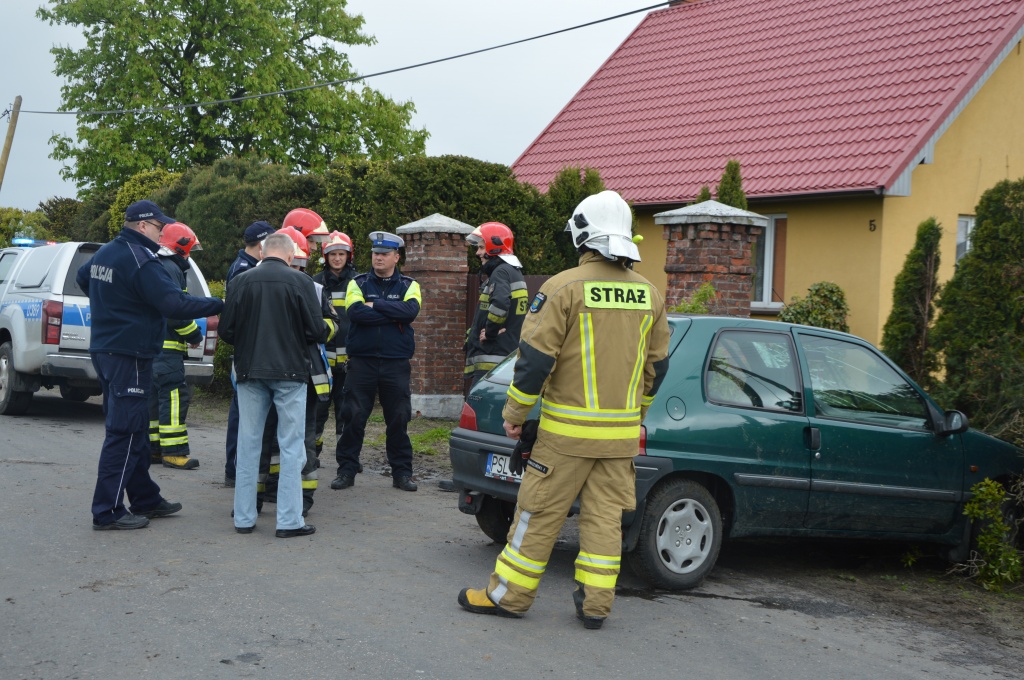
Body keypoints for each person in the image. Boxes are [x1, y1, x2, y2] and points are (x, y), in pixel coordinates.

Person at [457, 190, 671, 629]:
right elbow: (657, 368)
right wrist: (638, 413)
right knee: (605, 523)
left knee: (534, 516)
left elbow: (534, 362)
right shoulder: (650, 294)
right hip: (620, 442)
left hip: (564, 439)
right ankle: (596, 606)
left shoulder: (563, 287)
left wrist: (514, 416)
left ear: (583, 235)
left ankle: (508, 597)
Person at [77, 200, 224, 531]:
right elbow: (174, 303)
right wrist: (220, 304)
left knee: (137, 429)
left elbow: (83, 278)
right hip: (131, 354)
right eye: (159, 227)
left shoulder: (106, 252)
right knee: (125, 432)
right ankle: (108, 511)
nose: (162, 233)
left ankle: (145, 498)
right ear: (142, 225)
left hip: (107, 350)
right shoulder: (142, 261)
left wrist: (113, 306)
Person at [219, 232, 331, 537]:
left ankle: (243, 518)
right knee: (292, 448)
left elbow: (227, 331)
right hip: (291, 373)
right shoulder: (302, 283)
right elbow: (318, 331)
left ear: (261, 253)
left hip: (250, 372)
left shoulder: (240, 281)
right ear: (291, 256)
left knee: (248, 444)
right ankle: (289, 521)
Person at [439, 221, 528, 492]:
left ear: (493, 246)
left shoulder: (501, 272)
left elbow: (500, 306)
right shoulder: (512, 273)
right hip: (502, 355)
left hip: (492, 356)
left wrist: (488, 333)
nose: (477, 253)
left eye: (479, 246)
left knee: (478, 416)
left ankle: (469, 477)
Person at [330, 231, 421, 492]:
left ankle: (402, 473)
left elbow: (410, 312)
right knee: (353, 416)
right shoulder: (357, 283)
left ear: (396, 257)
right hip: (362, 362)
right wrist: (393, 313)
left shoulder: (409, 285)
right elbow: (356, 313)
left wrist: (376, 305)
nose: (378, 258)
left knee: (399, 419)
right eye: (375, 253)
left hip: (396, 362)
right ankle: (346, 470)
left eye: (383, 254)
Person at [148, 222, 205, 470]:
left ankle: (154, 449)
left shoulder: (156, 266)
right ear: (180, 246)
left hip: (152, 350)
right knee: (173, 399)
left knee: (154, 400)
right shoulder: (171, 268)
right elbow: (174, 310)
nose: (190, 255)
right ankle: (174, 452)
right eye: (189, 248)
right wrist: (194, 334)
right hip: (167, 351)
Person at [224, 220, 274, 487]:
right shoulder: (244, 270)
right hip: (248, 351)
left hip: (250, 351)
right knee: (242, 413)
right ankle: (235, 470)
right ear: (263, 244)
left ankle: (237, 470)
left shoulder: (242, 266)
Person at [312, 231, 357, 468]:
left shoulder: (359, 282)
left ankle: (346, 458)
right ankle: (312, 453)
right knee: (318, 409)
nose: (337, 258)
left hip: (350, 361)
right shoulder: (315, 282)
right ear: (325, 256)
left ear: (348, 256)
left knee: (347, 411)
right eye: (332, 254)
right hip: (323, 361)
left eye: (341, 254)